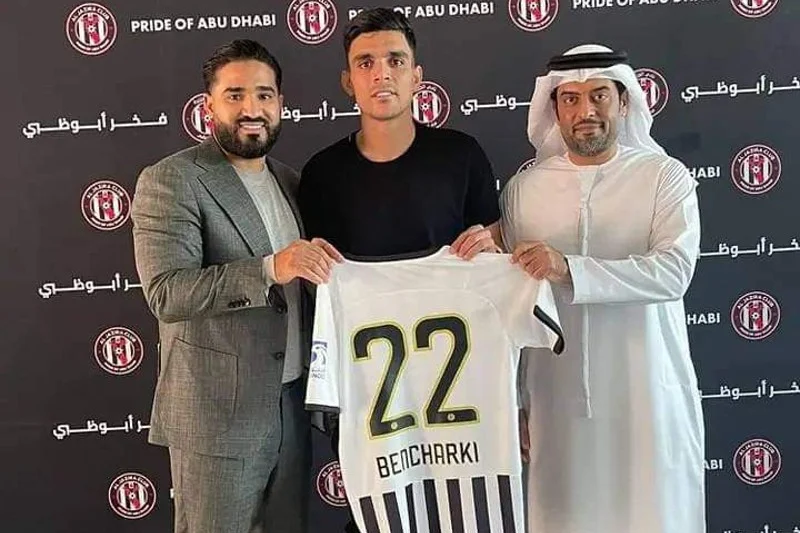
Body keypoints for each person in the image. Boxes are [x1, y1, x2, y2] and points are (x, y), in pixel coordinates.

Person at [297, 8, 502, 533]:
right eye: (365, 63)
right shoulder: (321, 174)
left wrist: (494, 249)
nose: (381, 74)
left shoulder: (461, 156)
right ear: (348, 82)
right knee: (382, 516)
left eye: (395, 60)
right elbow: (320, 289)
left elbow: (497, 261)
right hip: (370, 389)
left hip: (461, 388)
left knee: (459, 511)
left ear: (417, 75)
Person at [131, 39, 341, 533]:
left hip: (291, 408)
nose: (252, 109)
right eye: (235, 95)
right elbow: (167, 292)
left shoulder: (292, 183)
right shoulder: (173, 180)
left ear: (280, 104)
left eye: (264, 95)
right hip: (216, 419)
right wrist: (269, 268)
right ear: (209, 106)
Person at [500, 44, 705, 533]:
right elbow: (511, 308)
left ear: (624, 101)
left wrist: (568, 268)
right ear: (554, 109)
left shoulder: (664, 177)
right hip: (553, 400)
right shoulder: (523, 191)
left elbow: (673, 272)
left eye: (599, 96)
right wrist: (513, 401)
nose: (585, 111)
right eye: (570, 99)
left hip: (647, 392)